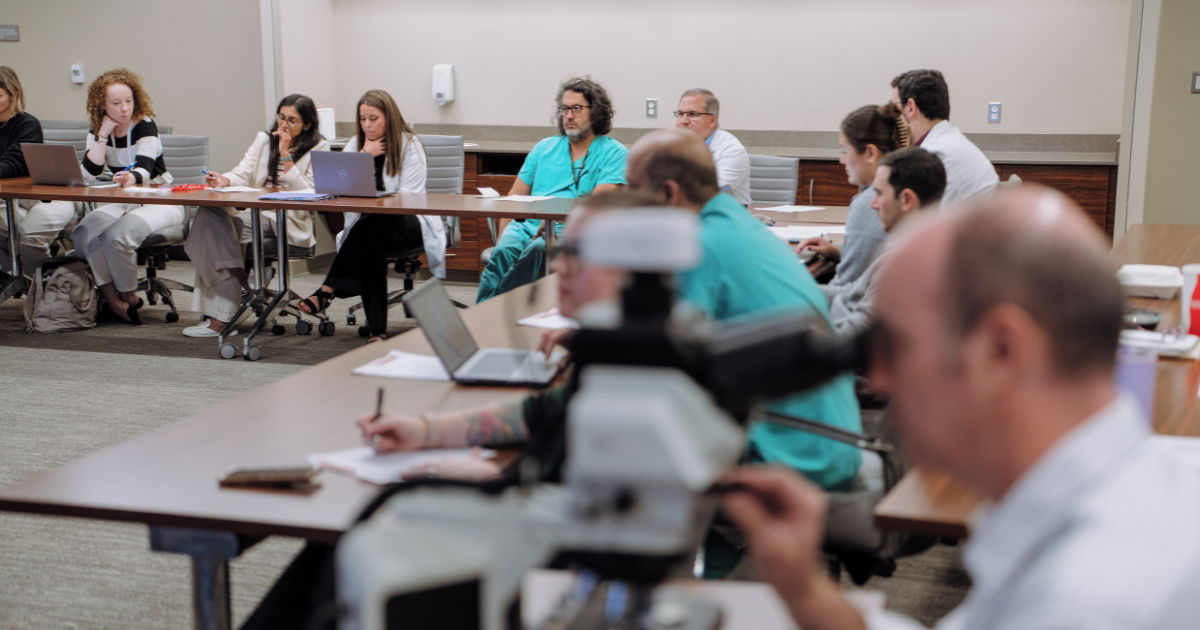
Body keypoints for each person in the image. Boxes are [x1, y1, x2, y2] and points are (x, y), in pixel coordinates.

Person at [722, 187, 1200, 630]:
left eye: (897, 345)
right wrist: (808, 594)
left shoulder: (1081, 603)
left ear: (1002, 351)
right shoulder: (1150, 484)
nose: (881, 379)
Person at [624, 128, 862, 577]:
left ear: (669, 193)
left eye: (633, 190)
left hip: (793, 448)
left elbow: (667, 360)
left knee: (623, 458)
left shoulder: (699, 244)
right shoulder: (732, 221)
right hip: (830, 434)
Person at [295, 89, 443, 343]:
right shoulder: (357, 144)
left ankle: (326, 291)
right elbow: (336, 186)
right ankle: (377, 332)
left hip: (410, 224)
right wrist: (365, 155)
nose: (367, 125)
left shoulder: (410, 144)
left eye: (373, 118)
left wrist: (377, 201)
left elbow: (410, 198)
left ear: (389, 116)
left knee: (371, 227)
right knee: (370, 241)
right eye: (363, 119)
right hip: (371, 229)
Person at [181, 94, 329, 337]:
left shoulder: (319, 147)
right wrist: (225, 179)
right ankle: (245, 284)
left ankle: (223, 316)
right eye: (281, 117)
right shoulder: (263, 139)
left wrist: (285, 155)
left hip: (287, 219)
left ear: (307, 124)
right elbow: (243, 172)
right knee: (207, 217)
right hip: (256, 212)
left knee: (213, 235)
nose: (283, 124)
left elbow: (309, 191)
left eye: (292, 120)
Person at [476, 76, 627, 303]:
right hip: (528, 227)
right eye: (564, 109)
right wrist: (502, 240)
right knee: (503, 252)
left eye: (577, 109)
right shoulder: (545, 147)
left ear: (595, 112)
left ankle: (492, 312)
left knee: (538, 250)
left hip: (574, 232)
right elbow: (512, 201)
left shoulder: (614, 154)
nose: (568, 116)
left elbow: (595, 211)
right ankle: (487, 321)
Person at [69, 68, 180, 324]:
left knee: (115, 235)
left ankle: (129, 298)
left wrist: (129, 177)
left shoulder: (144, 124)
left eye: (128, 101)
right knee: (83, 233)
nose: (124, 108)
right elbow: (89, 172)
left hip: (160, 197)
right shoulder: (98, 130)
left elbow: (144, 168)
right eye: (116, 103)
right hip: (125, 198)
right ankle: (112, 298)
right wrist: (103, 134)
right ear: (102, 105)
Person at [822, 147, 944, 334]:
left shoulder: (906, 266)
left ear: (906, 200)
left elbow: (854, 340)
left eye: (879, 193)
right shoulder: (905, 246)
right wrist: (799, 288)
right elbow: (853, 291)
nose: (873, 204)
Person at [796, 103, 909, 288]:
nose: (841, 160)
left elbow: (845, 290)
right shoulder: (908, 185)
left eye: (845, 150)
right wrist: (837, 251)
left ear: (870, 153)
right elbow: (876, 254)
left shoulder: (871, 203)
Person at [0, 66, 76, 277]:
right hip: (10, 200)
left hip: (46, 198)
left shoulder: (27, 124)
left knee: (28, 235)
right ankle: (21, 279)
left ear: (14, 95)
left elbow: (11, 164)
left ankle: (45, 285)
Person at [890, 69, 998, 207]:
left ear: (911, 107)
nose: (891, 117)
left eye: (894, 108)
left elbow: (918, 222)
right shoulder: (952, 141)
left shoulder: (937, 156)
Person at [673, 88, 751, 205]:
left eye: (692, 114)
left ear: (712, 120)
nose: (683, 121)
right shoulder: (673, 145)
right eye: (680, 114)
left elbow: (711, 194)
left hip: (724, 217)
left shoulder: (732, 150)